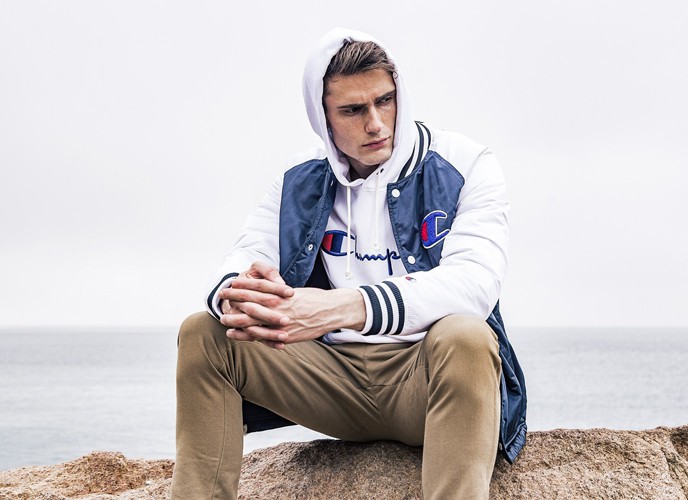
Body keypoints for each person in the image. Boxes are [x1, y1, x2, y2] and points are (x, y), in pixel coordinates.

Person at [171, 28, 526, 500]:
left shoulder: (466, 163)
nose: (376, 123)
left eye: (385, 101)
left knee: (467, 336)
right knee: (204, 331)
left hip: (425, 380)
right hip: (328, 381)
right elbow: (245, 255)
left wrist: (339, 307)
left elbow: (474, 286)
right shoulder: (299, 178)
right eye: (353, 110)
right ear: (323, 119)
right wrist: (238, 295)